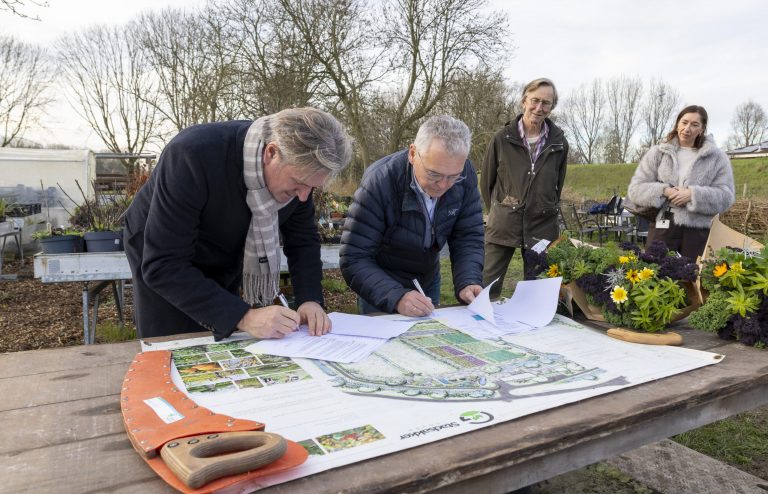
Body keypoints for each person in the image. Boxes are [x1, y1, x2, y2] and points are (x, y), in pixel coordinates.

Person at [123, 108, 353, 340]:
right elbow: (163, 265)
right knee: (176, 337)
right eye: (298, 184)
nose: (303, 197)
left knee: (224, 329)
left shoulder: (299, 178)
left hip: (228, 241)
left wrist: (309, 299)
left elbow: (303, 240)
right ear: (270, 153)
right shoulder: (191, 154)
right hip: (161, 246)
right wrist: (244, 316)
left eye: (311, 188)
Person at [340, 115, 484, 317]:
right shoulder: (380, 182)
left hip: (427, 277)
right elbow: (354, 257)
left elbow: (468, 235)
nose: (443, 185)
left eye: (452, 177)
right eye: (433, 174)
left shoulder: (465, 174)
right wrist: (396, 296)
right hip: (381, 283)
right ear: (412, 153)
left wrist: (468, 279)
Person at [480, 78, 569, 299]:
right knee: (487, 286)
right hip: (504, 222)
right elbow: (486, 182)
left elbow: (558, 183)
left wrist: (545, 204)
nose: (539, 108)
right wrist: (499, 208)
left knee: (538, 289)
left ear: (552, 108)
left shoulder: (559, 143)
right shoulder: (502, 138)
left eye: (546, 103)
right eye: (535, 101)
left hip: (542, 224)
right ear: (524, 101)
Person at [628, 105, 735, 259]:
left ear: (702, 128)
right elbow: (635, 190)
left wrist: (693, 195)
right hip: (663, 225)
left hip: (697, 230)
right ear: (677, 123)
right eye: (684, 122)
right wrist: (664, 191)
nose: (687, 128)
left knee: (692, 277)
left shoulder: (717, 158)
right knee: (653, 276)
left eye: (694, 124)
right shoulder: (658, 153)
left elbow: (726, 197)